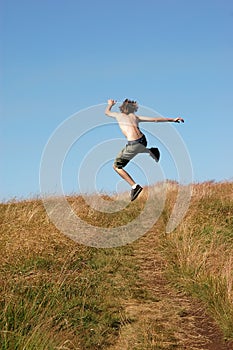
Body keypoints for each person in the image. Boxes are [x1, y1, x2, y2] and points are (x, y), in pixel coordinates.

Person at [105, 99, 184, 201]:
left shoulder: (118, 116)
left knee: (116, 167)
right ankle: (150, 151)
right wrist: (172, 119)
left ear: (122, 109)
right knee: (136, 148)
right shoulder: (135, 117)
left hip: (133, 144)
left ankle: (135, 186)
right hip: (143, 140)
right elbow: (155, 120)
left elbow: (107, 112)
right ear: (133, 109)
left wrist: (110, 105)